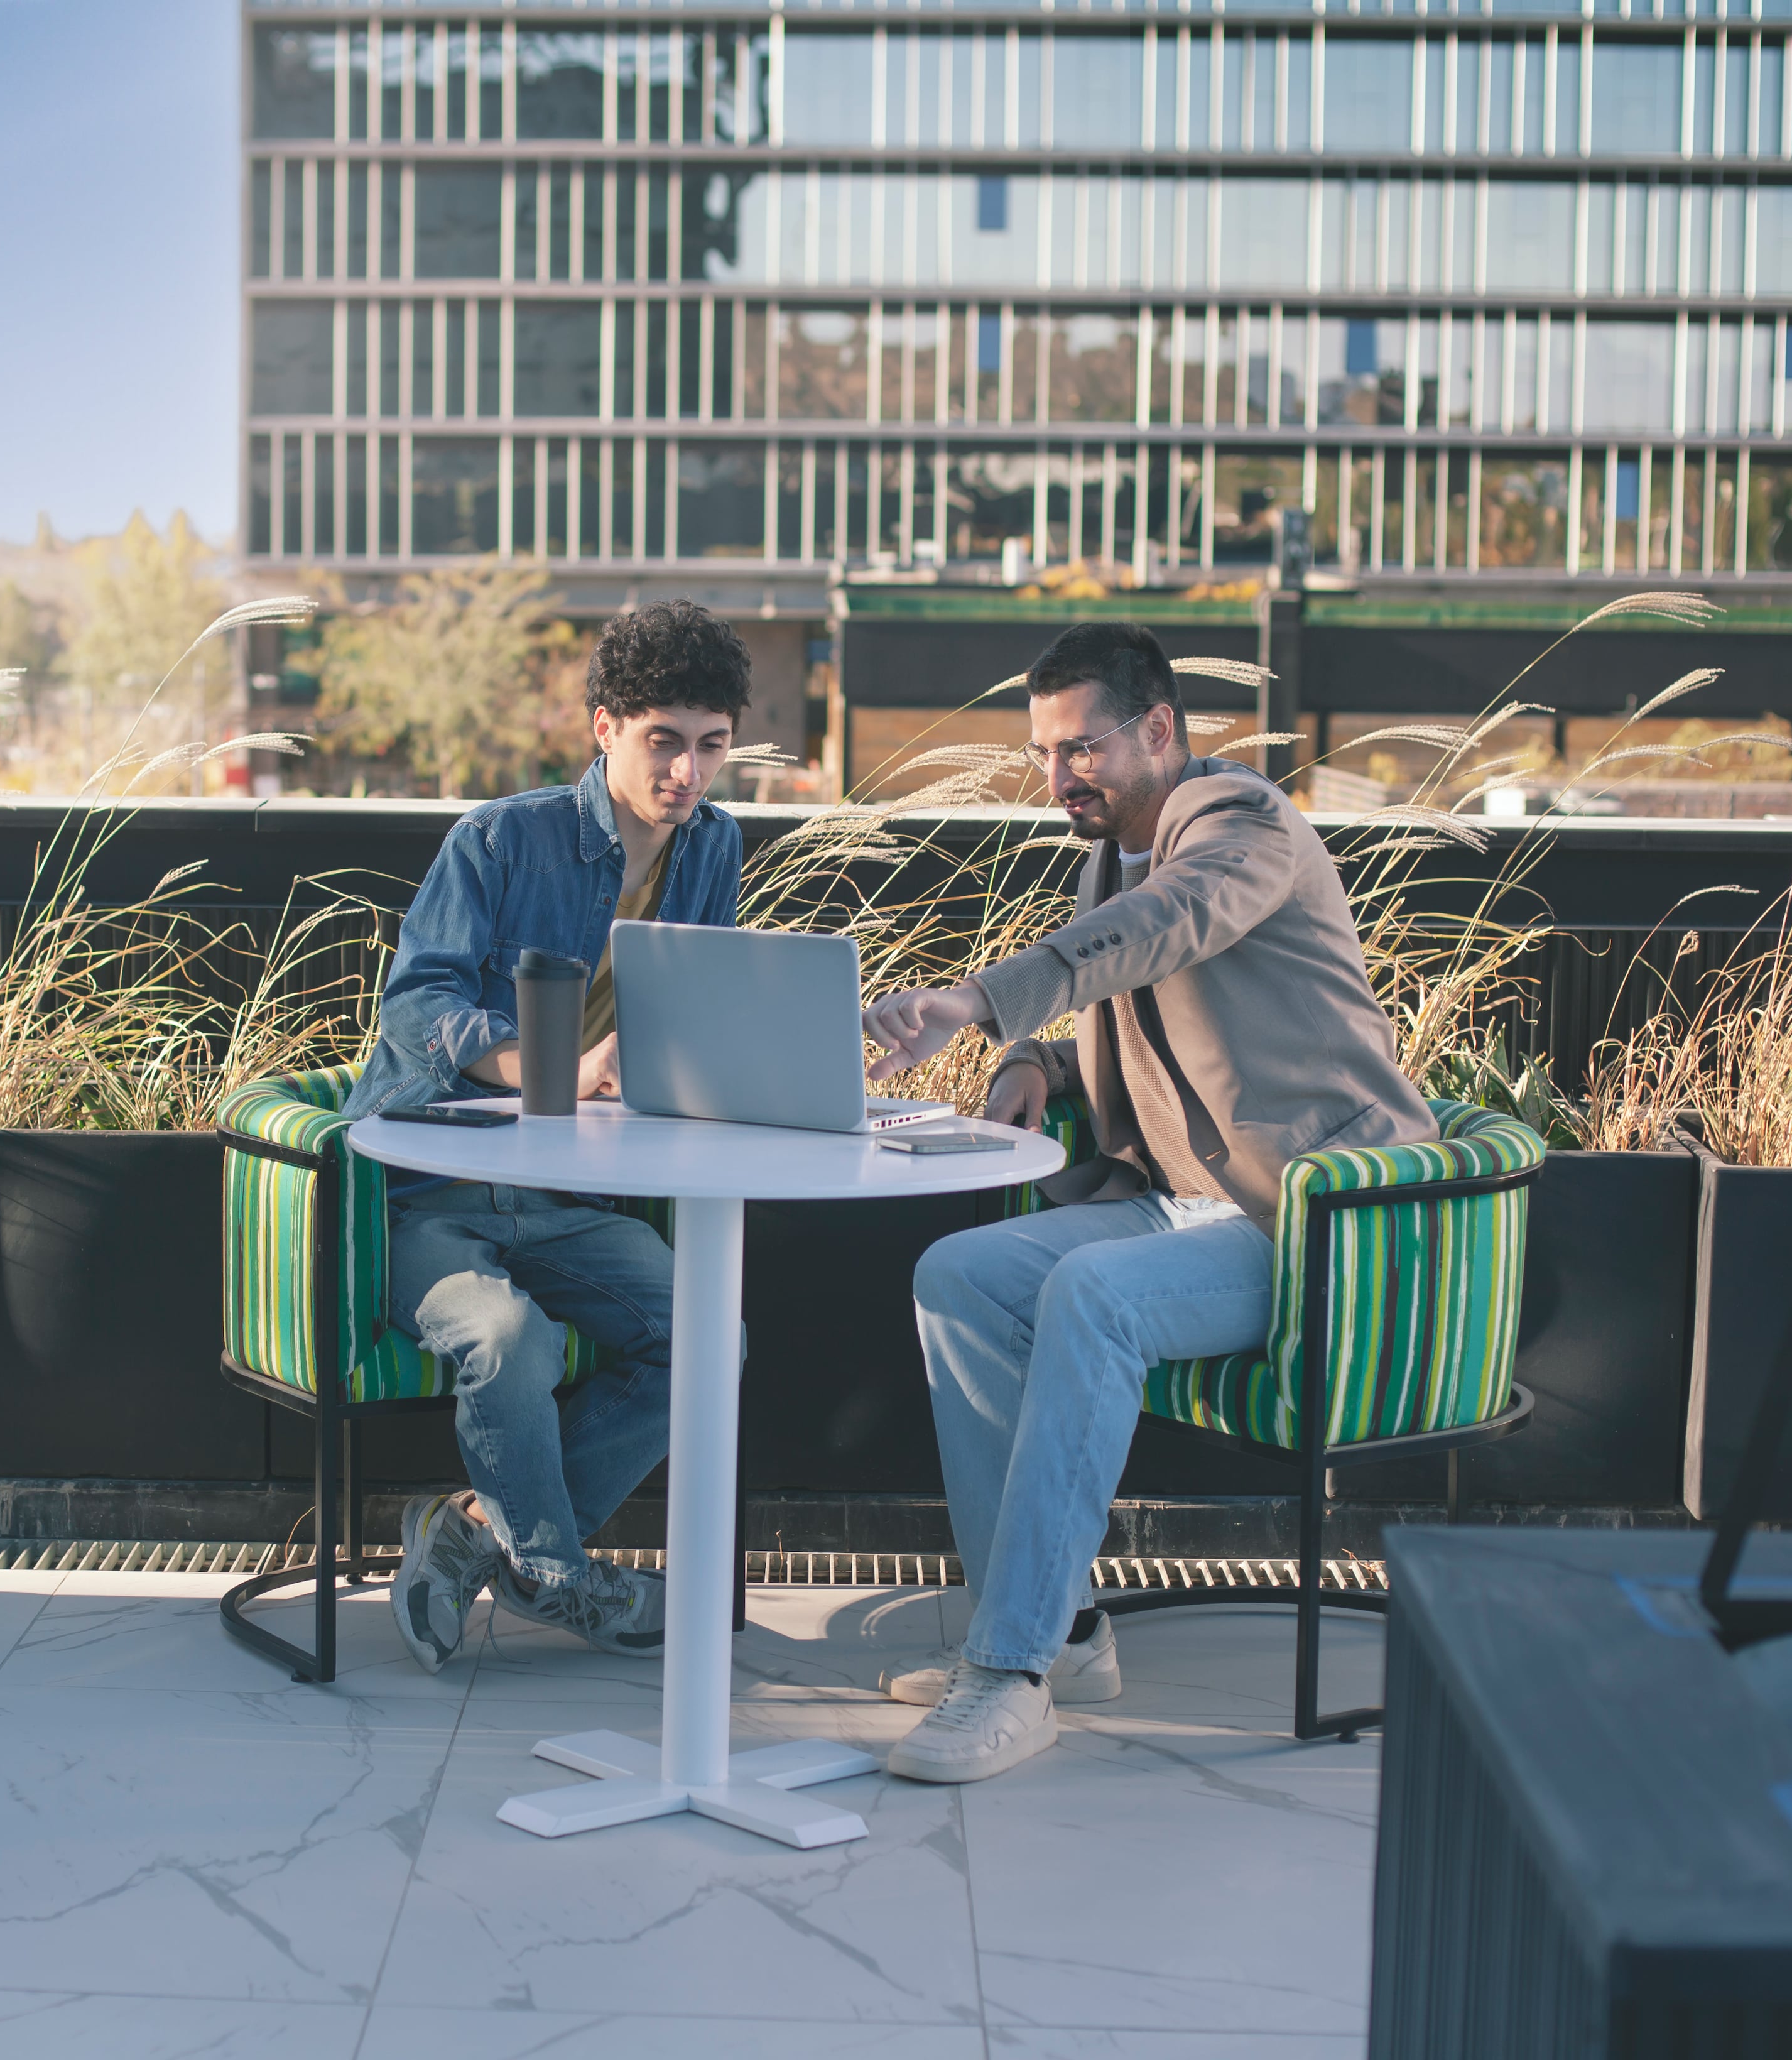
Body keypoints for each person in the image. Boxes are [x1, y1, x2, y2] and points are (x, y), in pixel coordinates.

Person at [857, 621, 1433, 1782]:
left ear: (1160, 729)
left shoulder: (1242, 828)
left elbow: (1162, 934)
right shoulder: (1116, 852)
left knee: (1091, 1295)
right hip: (1186, 1208)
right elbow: (1149, 1013)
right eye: (1044, 754)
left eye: (1082, 748)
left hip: (1311, 1224)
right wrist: (1043, 1067)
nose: (1060, 776)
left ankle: (1006, 1676)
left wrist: (981, 1003)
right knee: (958, 1276)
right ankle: (1058, 1636)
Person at [345, 600, 751, 1672]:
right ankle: (561, 1573)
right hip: (431, 1182)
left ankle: (483, 1534)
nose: (689, 772)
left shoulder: (715, 850)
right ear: (607, 726)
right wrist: (553, 1067)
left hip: (571, 1195)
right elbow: (418, 1006)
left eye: (712, 745)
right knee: (508, 1336)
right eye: (664, 740)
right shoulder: (499, 839)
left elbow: (693, 1009)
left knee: (714, 1337)